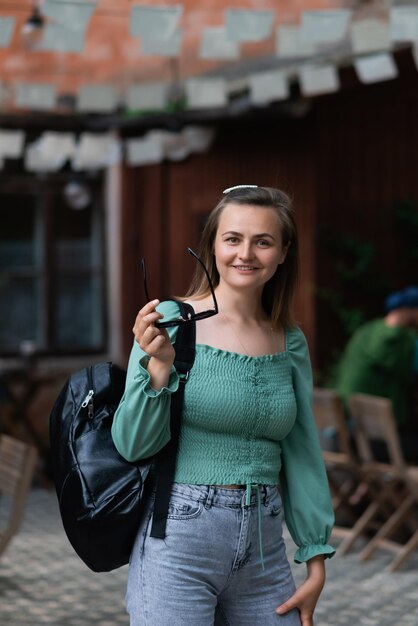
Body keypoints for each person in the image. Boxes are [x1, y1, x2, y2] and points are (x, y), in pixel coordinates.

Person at [111, 185, 335, 626]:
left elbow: (303, 450)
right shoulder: (170, 323)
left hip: (266, 550)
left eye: (263, 241)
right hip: (179, 538)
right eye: (233, 238)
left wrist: (315, 557)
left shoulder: (289, 340)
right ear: (212, 244)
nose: (245, 253)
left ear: (283, 252)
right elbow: (133, 445)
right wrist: (159, 368)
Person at [333, 286, 418, 462]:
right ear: (411, 311)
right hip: (378, 442)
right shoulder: (405, 342)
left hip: (345, 433)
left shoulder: (366, 332)